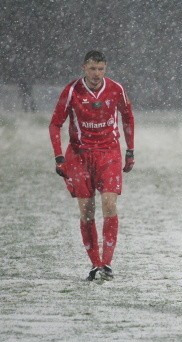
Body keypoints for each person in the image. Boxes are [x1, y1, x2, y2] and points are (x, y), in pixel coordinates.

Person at [49, 50, 135, 281]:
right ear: (84, 68)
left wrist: (130, 150)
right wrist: (59, 156)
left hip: (108, 152)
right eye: (92, 69)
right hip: (79, 155)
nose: (97, 74)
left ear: (105, 69)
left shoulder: (116, 89)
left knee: (109, 203)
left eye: (101, 69)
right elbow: (55, 124)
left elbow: (128, 118)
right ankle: (95, 263)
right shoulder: (71, 91)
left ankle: (107, 263)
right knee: (87, 211)